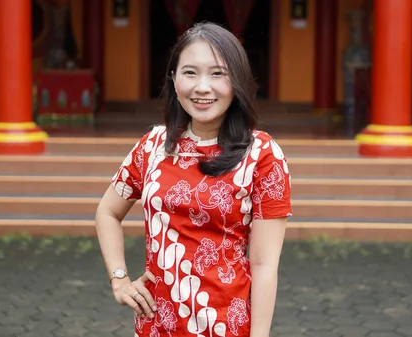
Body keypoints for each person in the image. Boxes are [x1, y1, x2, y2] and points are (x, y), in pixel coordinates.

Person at [95, 22, 292, 337]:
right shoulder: (153, 146)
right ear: (173, 80)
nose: (202, 87)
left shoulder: (262, 155)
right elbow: (107, 212)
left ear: (238, 82)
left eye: (217, 74)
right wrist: (119, 279)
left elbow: (264, 265)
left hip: (227, 325)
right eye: (190, 73)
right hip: (157, 326)